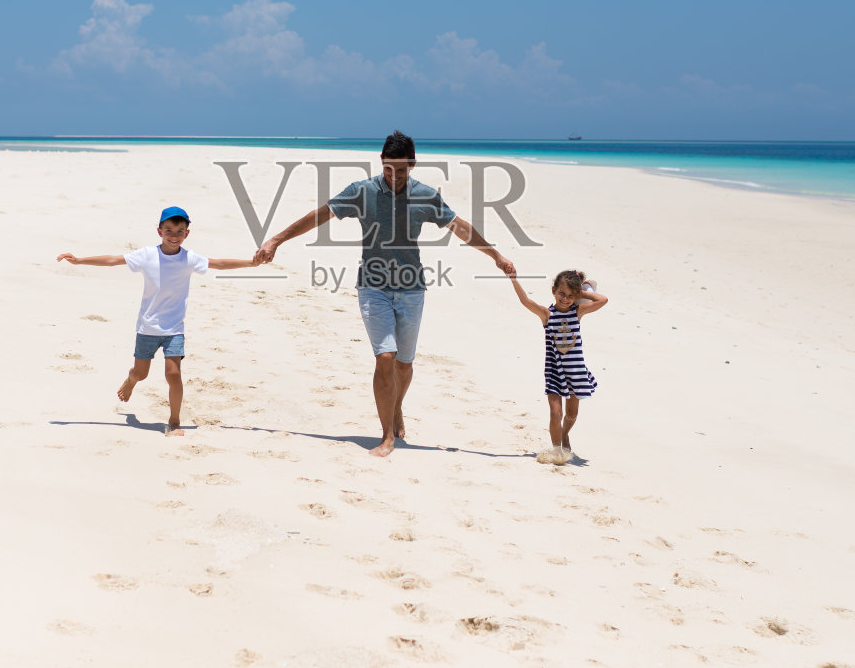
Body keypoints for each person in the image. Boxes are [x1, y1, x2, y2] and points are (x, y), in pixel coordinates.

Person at [254, 131, 516, 457]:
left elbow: (460, 227)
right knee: (385, 358)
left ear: (413, 165)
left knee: (404, 366)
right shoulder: (362, 191)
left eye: (401, 170)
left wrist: (495, 256)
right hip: (372, 287)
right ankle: (387, 436)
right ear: (381, 162)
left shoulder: (425, 196)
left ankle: (396, 407)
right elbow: (321, 215)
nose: (394, 176)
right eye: (388, 169)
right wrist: (276, 239)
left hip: (412, 290)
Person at [56, 206, 262, 435]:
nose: (174, 236)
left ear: (187, 234)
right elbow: (114, 260)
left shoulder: (189, 259)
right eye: (168, 231)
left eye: (180, 231)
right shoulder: (147, 255)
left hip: (174, 329)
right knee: (141, 373)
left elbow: (219, 263)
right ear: (159, 231)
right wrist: (79, 260)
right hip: (148, 327)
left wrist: (251, 263)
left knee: (173, 374)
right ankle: (131, 379)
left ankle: (174, 421)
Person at [507, 269, 608, 463]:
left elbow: (603, 300)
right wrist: (513, 279)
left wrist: (579, 292)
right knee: (556, 413)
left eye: (571, 296)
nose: (565, 298)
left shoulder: (578, 312)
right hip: (555, 370)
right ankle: (556, 451)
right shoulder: (547, 314)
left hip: (576, 371)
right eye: (562, 293)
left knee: (571, 414)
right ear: (553, 291)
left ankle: (565, 433)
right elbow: (525, 301)